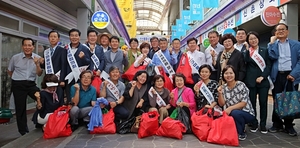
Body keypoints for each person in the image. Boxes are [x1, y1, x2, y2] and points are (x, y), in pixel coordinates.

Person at [268, 23, 300, 136]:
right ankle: (277, 124)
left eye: (283, 29)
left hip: (291, 76)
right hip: (277, 75)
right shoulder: (272, 45)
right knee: (277, 99)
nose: (280, 31)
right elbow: (272, 56)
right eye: (278, 30)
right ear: (275, 33)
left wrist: (294, 74)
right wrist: (272, 43)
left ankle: (289, 125)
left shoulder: (296, 44)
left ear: (287, 31)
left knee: (290, 100)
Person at [7, 38, 43, 135]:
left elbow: (39, 74)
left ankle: (40, 123)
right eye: (25, 45)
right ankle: (23, 131)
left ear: (33, 47)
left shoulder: (37, 58)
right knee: (20, 108)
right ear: (22, 46)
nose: (27, 47)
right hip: (18, 84)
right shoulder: (15, 58)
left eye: (29, 45)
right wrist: (16, 78)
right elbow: (10, 70)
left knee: (42, 98)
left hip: (31, 84)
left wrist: (37, 64)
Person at [217, 65, 256, 141]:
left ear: (235, 74)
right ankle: (239, 127)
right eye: (226, 73)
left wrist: (230, 108)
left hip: (246, 113)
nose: (229, 75)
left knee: (235, 113)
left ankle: (241, 133)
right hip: (230, 113)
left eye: (231, 73)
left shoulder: (241, 85)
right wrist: (220, 93)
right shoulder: (223, 87)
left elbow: (243, 103)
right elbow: (221, 104)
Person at [244, 31, 271, 134]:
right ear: (248, 41)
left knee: (263, 103)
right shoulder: (247, 52)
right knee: (252, 104)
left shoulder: (265, 51)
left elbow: (268, 66)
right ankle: (254, 123)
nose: (253, 40)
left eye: (254, 38)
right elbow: (245, 61)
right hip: (250, 82)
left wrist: (263, 76)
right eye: (250, 39)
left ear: (258, 39)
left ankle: (263, 124)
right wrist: (246, 50)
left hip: (263, 82)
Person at [65, 28, 91, 102]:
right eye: (72, 35)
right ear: (69, 37)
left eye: (76, 35)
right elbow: (63, 64)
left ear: (79, 37)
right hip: (68, 77)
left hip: (80, 78)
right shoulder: (66, 49)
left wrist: (83, 58)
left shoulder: (85, 48)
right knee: (70, 99)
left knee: (80, 98)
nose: (74, 37)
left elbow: (89, 62)